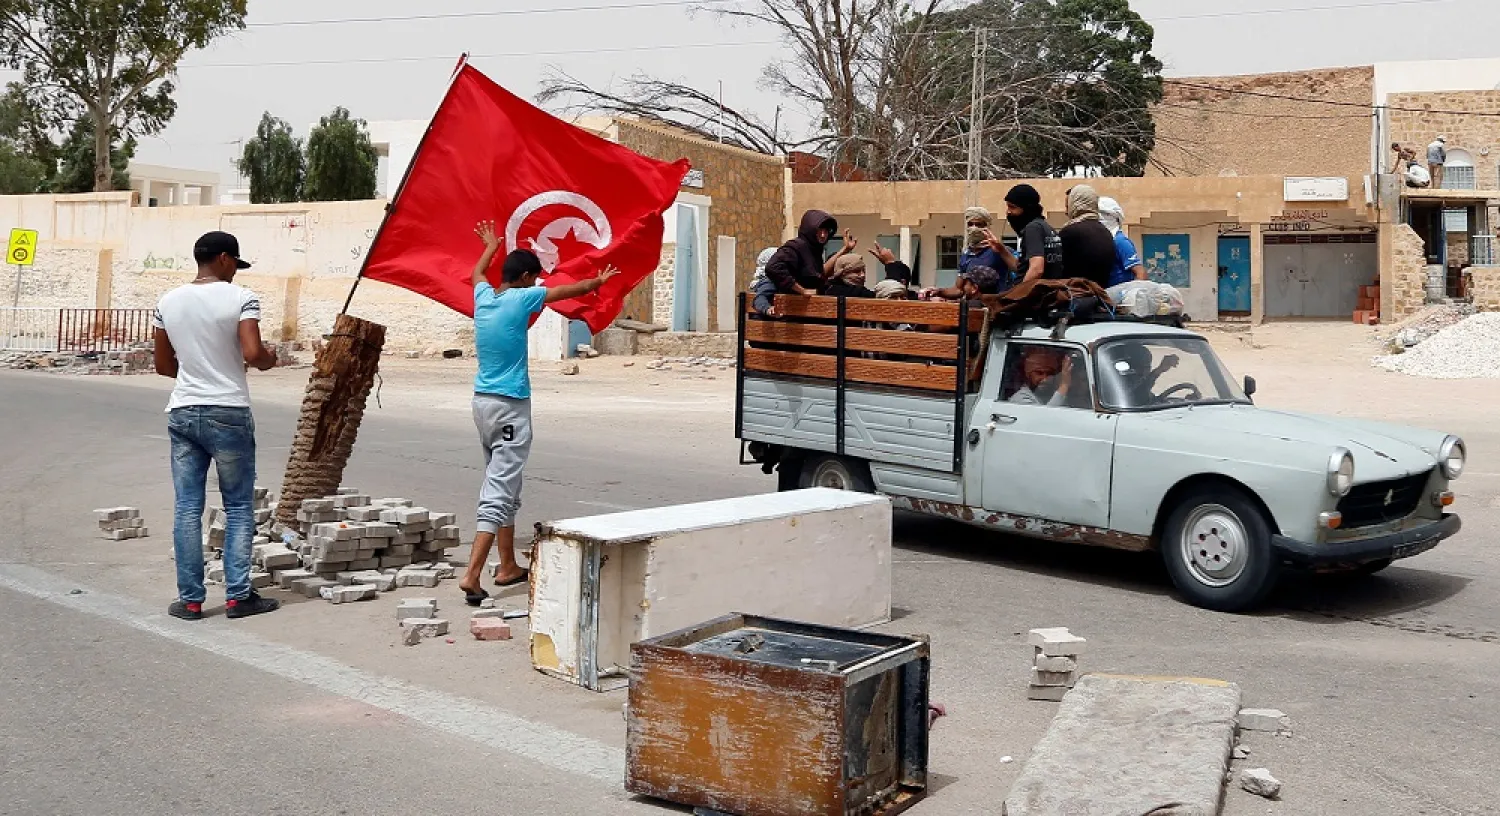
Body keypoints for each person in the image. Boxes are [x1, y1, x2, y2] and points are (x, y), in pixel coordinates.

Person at [459, 220, 620, 605]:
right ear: (528, 277)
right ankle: (472, 574)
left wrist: (489, 246)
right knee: (499, 487)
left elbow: (477, 272)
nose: (537, 284)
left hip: (481, 403)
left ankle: (507, 565)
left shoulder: (484, 297)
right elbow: (567, 291)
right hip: (510, 405)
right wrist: (597, 282)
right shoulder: (521, 298)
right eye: (535, 278)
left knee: (505, 481)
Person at [152, 231, 280, 621]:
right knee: (238, 506)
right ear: (225, 259)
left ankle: (190, 600)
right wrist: (270, 360)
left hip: (184, 410)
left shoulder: (167, 301)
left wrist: (195, 372)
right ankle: (238, 596)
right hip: (228, 410)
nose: (234, 273)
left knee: (188, 507)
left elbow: (163, 365)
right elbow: (253, 353)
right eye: (235, 265)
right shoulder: (241, 297)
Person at [764, 210, 843, 297]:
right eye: (819, 230)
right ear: (810, 230)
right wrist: (802, 291)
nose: (823, 235)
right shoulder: (797, 246)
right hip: (794, 306)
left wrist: (845, 249)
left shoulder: (815, 250)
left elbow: (820, 274)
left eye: (826, 231)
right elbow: (773, 267)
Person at [996, 184, 1064, 283]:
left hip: (1036, 295)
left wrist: (1019, 294)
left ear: (1027, 209)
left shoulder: (1033, 229)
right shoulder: (1046, 228)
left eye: (1012, 207)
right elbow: (1022, 268)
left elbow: (1036, 269)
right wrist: (1001, 249)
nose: (1008, 212)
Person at [1057, 185, 1117, 288]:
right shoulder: (1106, 232)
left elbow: (1056, 269)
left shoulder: (1070, 232)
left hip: (1075, 295)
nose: (1066, 212)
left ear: (1076, 205)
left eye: (1068, 206)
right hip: (1100, 295)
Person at [1098, 196, 1147, 287]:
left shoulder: (1120, 241)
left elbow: (1140, 272)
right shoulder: (1099, 242)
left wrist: (1134, 294)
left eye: (1103, 215)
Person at [1009, 346, 1075, 406]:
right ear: (1028, 374)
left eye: (1049, 374)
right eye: (1039, 373)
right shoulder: (1021, 398)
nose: (1045, 379)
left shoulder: (1047, 396)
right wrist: (1064, 385)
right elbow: (1046, 417)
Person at [959, 206, 1008, 287]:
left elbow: (1019, 269)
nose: (974, 228)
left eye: (978, 224)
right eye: (970, 224)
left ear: (986, 226)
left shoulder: (998, 250)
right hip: (973, 299)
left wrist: (1002, 250)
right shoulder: (966, 254)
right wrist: (939, 291)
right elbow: (958, 289)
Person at [748, 246, 781, 317]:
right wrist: (768, 309)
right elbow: (760, 297)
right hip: (765, 322)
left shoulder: (762, 280)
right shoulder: (769, 281)